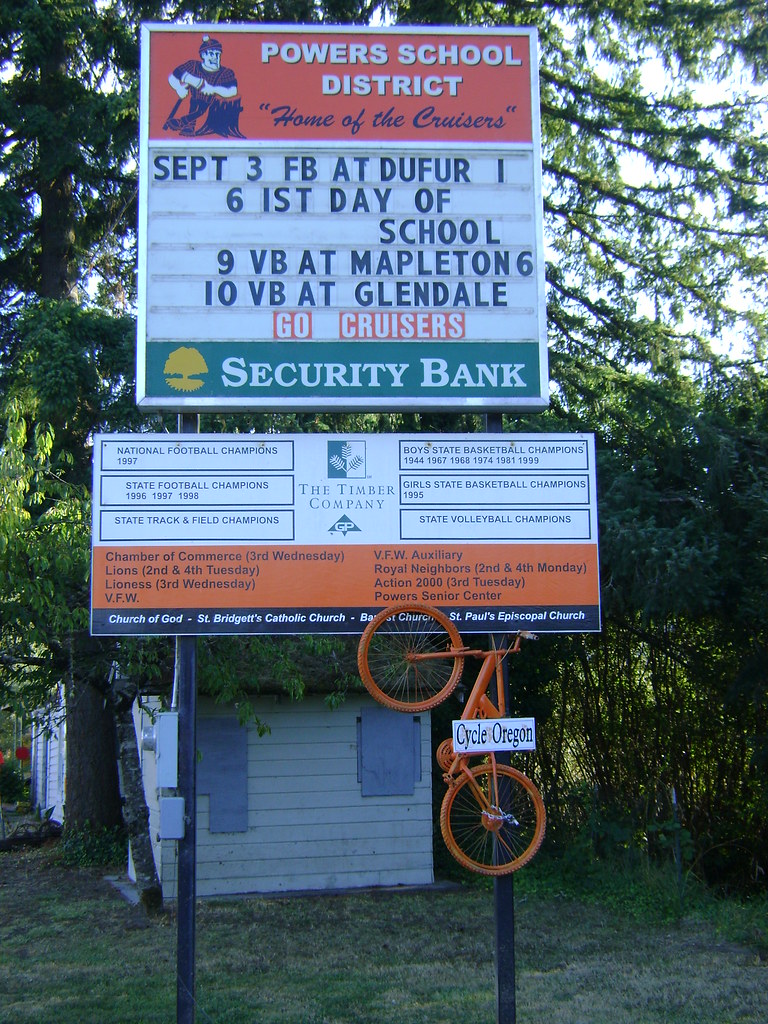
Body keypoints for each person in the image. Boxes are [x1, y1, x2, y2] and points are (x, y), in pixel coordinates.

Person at [165, 35, 244, 138]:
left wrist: (213, 89)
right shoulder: (192, 66)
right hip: (193, 98)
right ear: (203, 55)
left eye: (217, 54)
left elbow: (233, 91)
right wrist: (178, 88)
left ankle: (182, 122)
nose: (215, 58)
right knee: (195, 104)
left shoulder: (225, 73)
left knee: (200, 109)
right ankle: (188, 126)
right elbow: (173, 76)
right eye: (211, 54)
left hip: (211, 105)